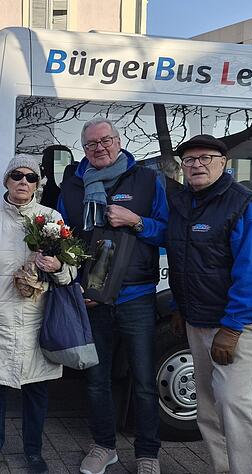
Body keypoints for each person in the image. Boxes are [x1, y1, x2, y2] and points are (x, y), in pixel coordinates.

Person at [57, 118, 167, 474]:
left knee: (145, 381)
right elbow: (61, 238)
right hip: (92, 299)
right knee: (96, 380)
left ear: (119, 141)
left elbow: (167, 232)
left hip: (136, 296)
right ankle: (104, 446)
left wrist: (136, 221)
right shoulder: (72, 186)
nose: (99, 147)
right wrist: (74, 283)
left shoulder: (149, 180)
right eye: (91, 144)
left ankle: (148, 454)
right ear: (83, 150)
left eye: (106, 140)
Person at [165, 134, 252, 474]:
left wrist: (232, 328)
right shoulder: (185, 203)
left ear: (222, 163)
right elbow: (186, 257)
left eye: (205, 158)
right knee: (208, 409)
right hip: (198, 320)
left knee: (233, 402)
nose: (196, 165)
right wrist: (181, 307)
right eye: (189, 160)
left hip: (236, 325)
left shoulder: (244, 205)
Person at [0, 155, 76, 474]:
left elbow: (70, 271)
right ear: (6, 181)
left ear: (38, 183)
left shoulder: (51, 218)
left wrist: (58, 267)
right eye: (17, 176)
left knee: (36, 389)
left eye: (31, 177)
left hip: (36, 317)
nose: (23, 182)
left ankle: (33, 452)